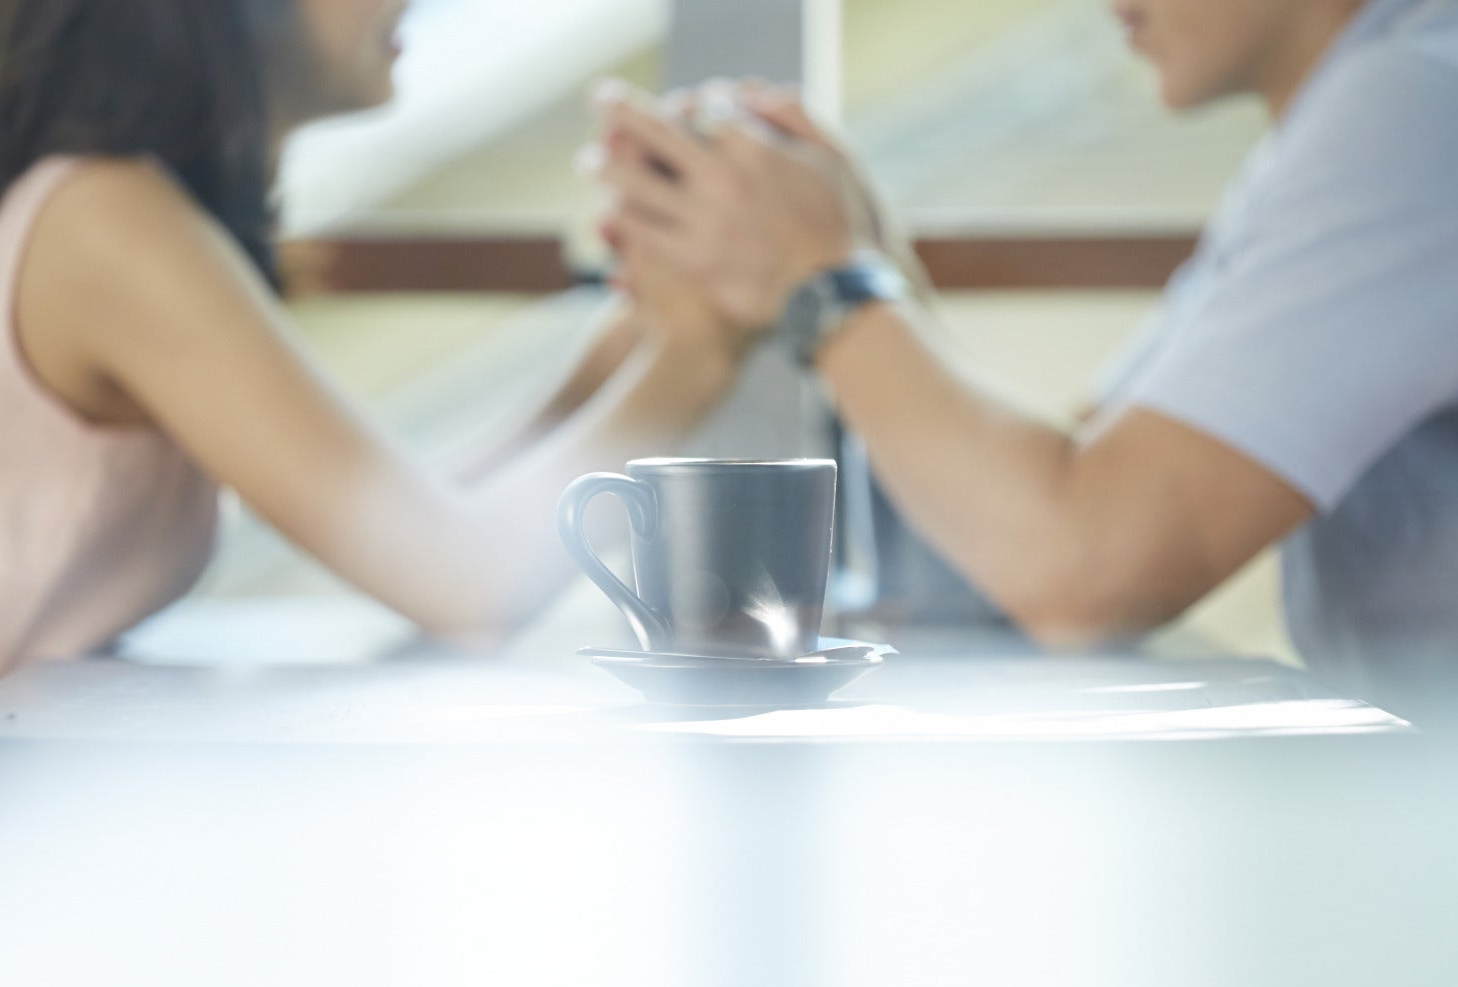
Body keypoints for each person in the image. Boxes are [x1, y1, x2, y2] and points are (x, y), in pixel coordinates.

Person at [0, 0, 744, 741]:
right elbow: (465, 586)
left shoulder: (84, 203)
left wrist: (632, 344)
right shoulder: (108, 221)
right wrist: (718, 333)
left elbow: (421, 529)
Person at [594, 0, 1458, 709]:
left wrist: (821, 279)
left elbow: (1084, 573)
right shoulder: (1335, 134)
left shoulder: (1417, 105)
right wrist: (863, 263)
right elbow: (1024, 527)